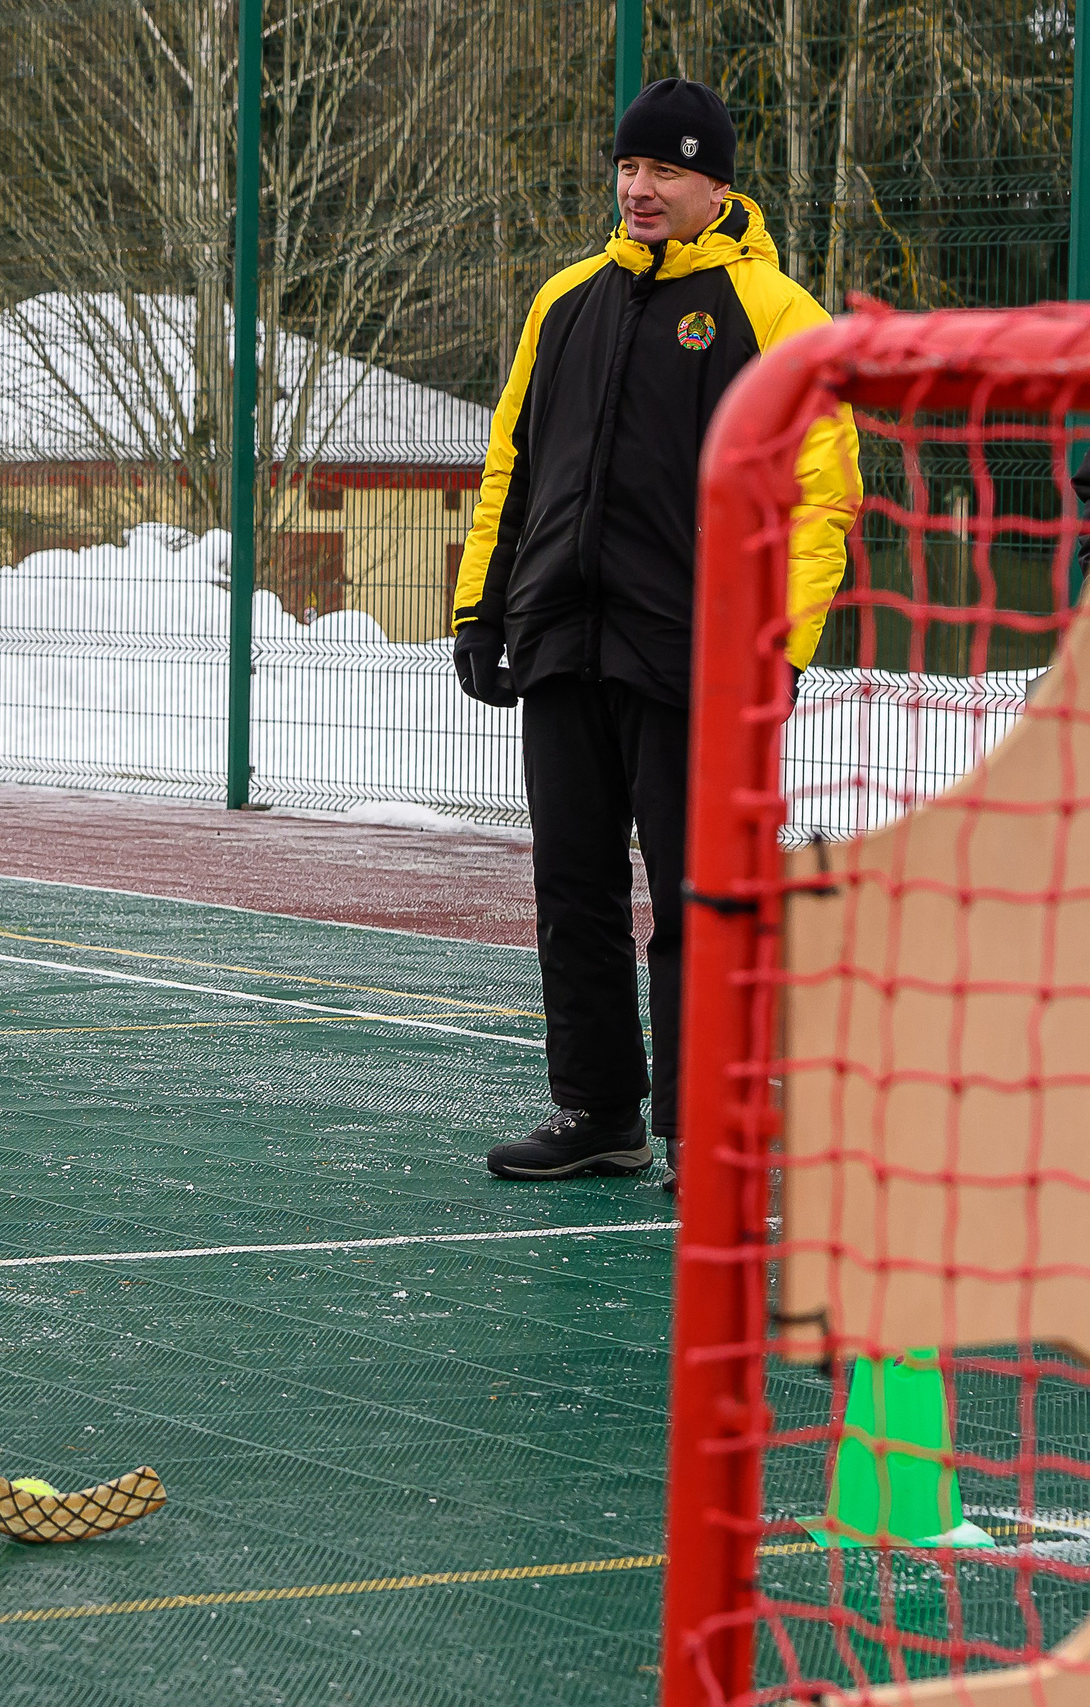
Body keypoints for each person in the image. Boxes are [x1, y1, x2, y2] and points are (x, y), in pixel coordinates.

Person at [451, 79, 858, 1182]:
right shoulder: (565, 301)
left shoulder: (777, 316)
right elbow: (513, 465)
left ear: (714, 186)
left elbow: (820, 500)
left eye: (664, 171)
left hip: (699, 660)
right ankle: (599, 1114)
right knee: (571, 886)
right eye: (628, 169)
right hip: (562, 645)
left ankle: (705, 1130)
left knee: (697, 900)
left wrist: (775, 651)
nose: (638, 189)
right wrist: (481, 609)